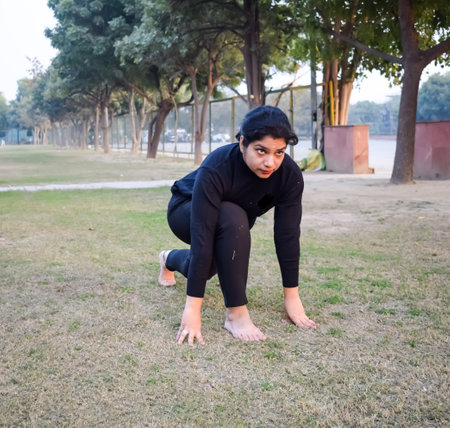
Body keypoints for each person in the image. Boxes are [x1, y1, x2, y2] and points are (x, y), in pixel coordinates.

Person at [158, 105, 317, 346]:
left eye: (279, 152)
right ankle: (236, 315)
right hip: (186, 209)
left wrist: (292, 299)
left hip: (232, 222)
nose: (270, 162)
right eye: (261, 150)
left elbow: (287, 236)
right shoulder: (217, 166)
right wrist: (192, 308)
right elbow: (202, 237)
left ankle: (168, 259)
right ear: (242, 143)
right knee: (231, 216)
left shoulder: (289, 176)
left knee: (206, 266)